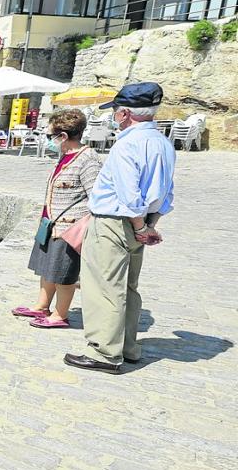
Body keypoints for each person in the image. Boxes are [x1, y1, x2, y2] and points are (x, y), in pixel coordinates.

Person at [64, 83, 175, 373]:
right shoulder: (163, 143)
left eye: (115, 111)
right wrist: (150, 225)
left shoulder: (127, 144)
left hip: (114, 223)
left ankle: (104, 351)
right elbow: (166, 192)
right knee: (128, 287)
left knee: (104, 286)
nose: (114, 116)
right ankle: (127, 346)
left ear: (125, 113)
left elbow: (128, 195)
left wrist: (140, 225)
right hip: (140, 223)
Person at [12, 109, 102, 329]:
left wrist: (81, 226)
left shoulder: (88, 159)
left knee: (63, 273)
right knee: (47, 267)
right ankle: (42, 306)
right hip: (50, 223)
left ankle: (60, 315)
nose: (49, 140)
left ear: (63, 136)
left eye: (51, 135)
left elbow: (96, 197)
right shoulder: (65, 156)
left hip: (69, 227)